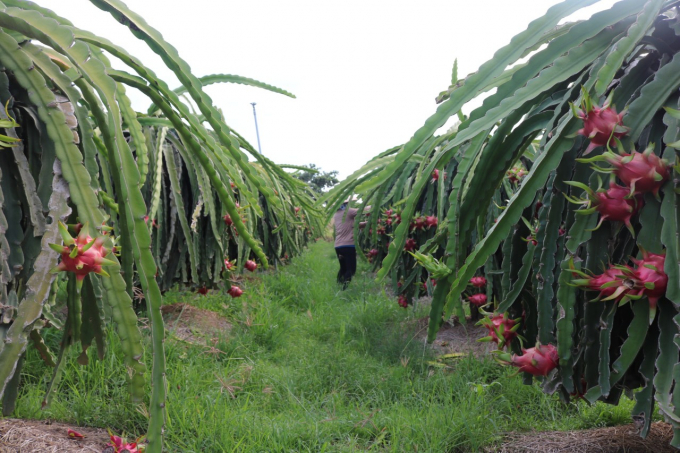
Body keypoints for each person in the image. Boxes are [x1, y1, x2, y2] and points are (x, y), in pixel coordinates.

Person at [333, 198, 369, 289]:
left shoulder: (337, 215)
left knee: (343, 267)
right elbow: (363, 209)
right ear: (345, 203)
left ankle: (338, 285)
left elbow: (353, 225)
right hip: (348, 246)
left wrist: (366, 223)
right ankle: (344, 289)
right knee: (351, 269)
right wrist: (379, 203)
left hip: (338, 246)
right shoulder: (348, 212)